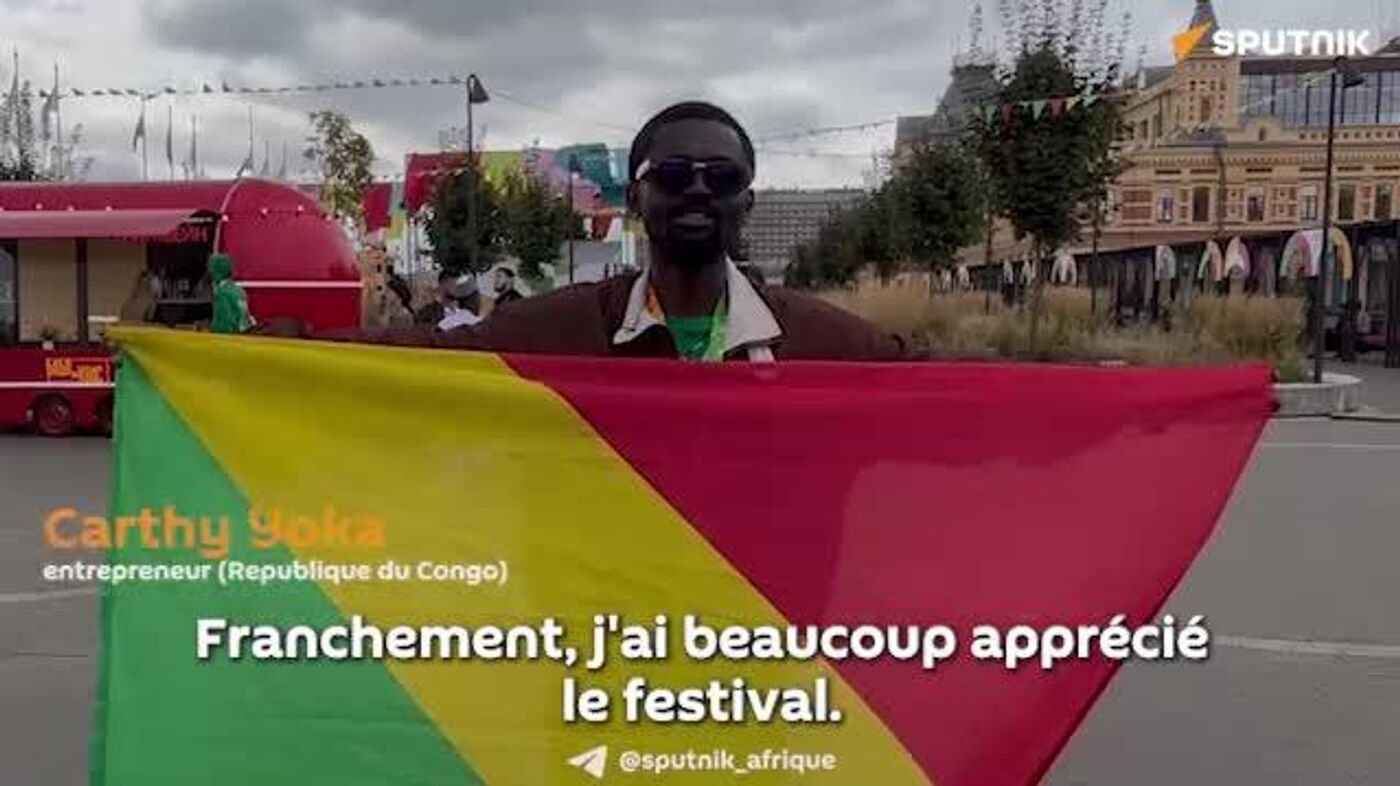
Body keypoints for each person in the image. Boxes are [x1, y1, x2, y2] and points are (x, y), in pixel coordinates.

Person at [262, 101, 902, 360]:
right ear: (637, 198)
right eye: (673, 173)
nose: (699, 189)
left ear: (747, 201)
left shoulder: (819, 340)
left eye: (723, 176)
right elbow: (432, 356)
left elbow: (934, 385)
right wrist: (293, 350)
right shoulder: (563, 329)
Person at [209, 254, 254, 334]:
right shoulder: (240, 290)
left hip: (228, 337)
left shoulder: (222, 292)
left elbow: (225, 321)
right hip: (242, 334)